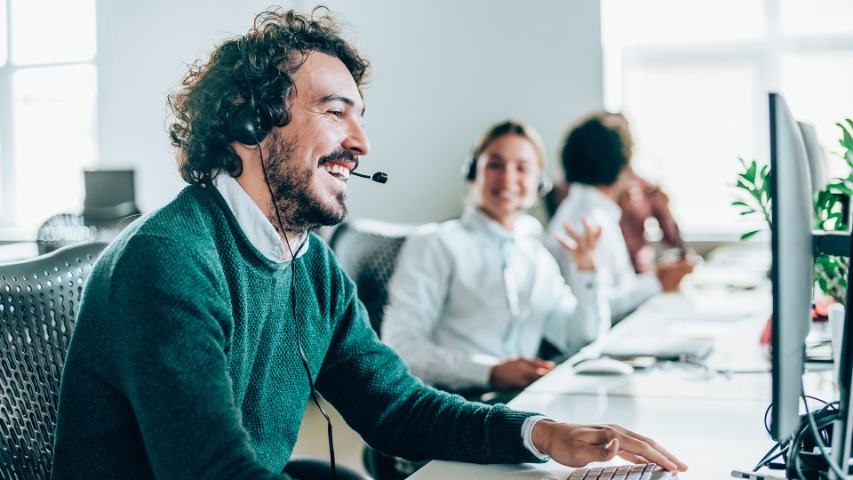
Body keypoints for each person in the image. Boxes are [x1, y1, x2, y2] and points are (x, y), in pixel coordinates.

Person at [51, 8, 687, 479]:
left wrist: (541, 433)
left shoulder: (309, 264)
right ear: (251, 122)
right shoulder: (170, 261)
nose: (362, 143)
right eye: (335, 111)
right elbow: (211, 472)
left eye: (360, 115)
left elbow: (394, 405)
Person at [382, 120, 609, 392]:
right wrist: (489, 372)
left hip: (519, 403)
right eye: (495, 165)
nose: (508, 178)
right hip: (451, 405)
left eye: (522, 168)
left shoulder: (535, 255)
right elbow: (402, 349)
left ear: (539, 183)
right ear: (472, 172)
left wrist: (587, 271)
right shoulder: (436, 244)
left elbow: (581, 340)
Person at [546, 112, 694, 322]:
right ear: (624, 166)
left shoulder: (580, 210)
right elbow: (599, 306)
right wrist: (658, 282)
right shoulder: (591, 222)